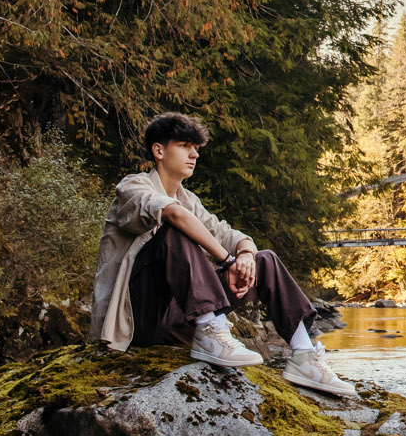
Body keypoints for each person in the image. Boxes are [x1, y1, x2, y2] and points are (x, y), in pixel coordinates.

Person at [89, 111, 358, 401]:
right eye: (184, 146)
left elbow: (235, 236)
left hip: (177, 320)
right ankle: (211, 331)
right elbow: (174, 215)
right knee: (174, 231)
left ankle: (304, 357)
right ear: (158, 150)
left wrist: (243, 256)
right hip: (136, 321)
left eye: (196, 149)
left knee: (263, 260)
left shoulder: (189, 200)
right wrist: (226, 261)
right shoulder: (133, 187)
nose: (194, 155)